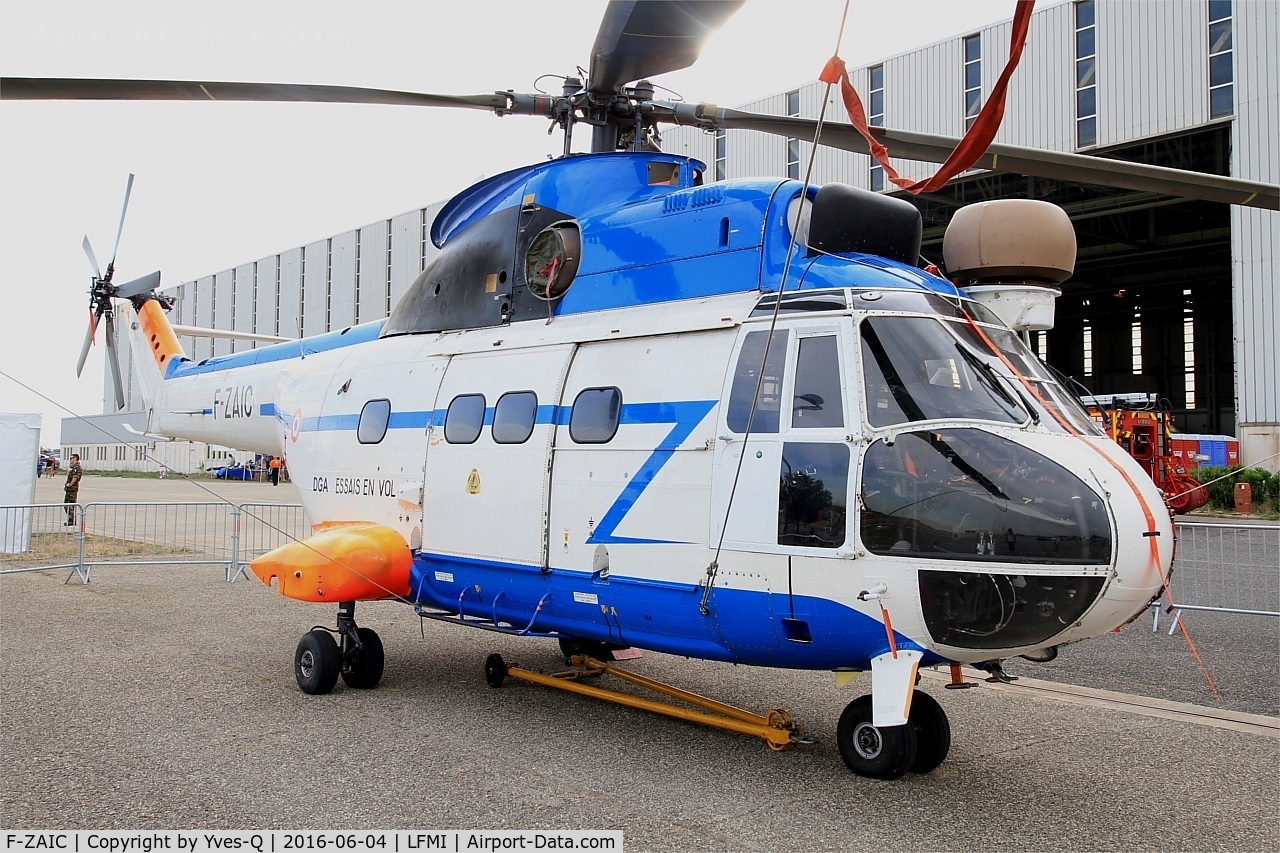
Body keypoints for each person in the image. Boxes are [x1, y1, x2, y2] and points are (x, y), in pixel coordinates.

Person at [63, 453, 82, 526]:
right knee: (67, 504)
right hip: (70, 488)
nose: (70, 460)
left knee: (70, 504)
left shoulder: (77, 467)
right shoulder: (73, 467)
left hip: (72, 488)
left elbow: (75, 477)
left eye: (71, 458)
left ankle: (71, 520)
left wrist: (70, 484)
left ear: (75, 458)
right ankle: (70, 519)